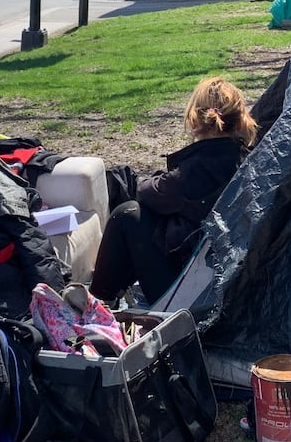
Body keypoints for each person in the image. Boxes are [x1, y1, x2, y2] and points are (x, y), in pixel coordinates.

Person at [88, 76, 258, 305]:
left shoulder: (193, 171)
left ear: (196, 121)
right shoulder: (248, 162)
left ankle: (96, 301)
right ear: (239, 121)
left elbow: (146, 192)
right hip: (231, 285)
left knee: (127, 215)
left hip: (191, 294)